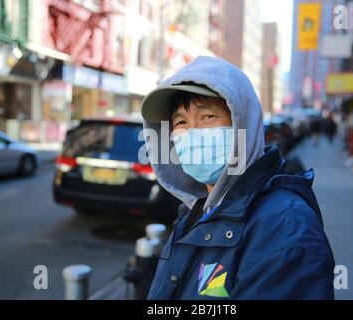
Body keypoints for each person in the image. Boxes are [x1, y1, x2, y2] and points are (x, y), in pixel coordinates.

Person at [140, 56, 335, 300]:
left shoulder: (285, 229)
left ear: (243, 124)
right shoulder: (197, 212)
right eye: (181, 122)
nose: (192, 133)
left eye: (208, 117)